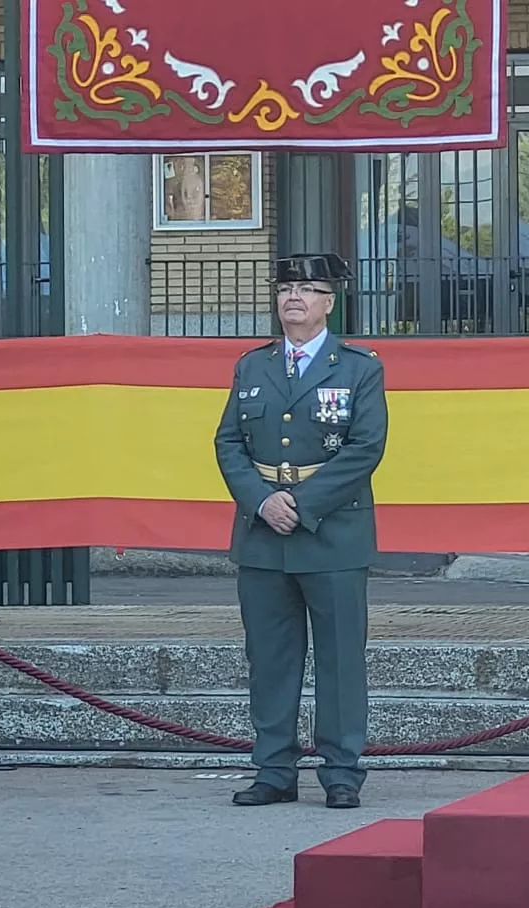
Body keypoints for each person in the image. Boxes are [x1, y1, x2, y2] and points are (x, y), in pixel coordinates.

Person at [212, 253, 387, 811]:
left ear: (329, 302)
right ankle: (274, 770)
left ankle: (340, 772)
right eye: (287, 287)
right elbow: (228, 442)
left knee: (339, 659)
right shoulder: (253, 365)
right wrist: (263, 502)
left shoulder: (359, 368)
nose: (295, 297)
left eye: (309, 289)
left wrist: (302, 505)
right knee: (270, 658)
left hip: (332, 534)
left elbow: (365, 448)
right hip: (263, 534)